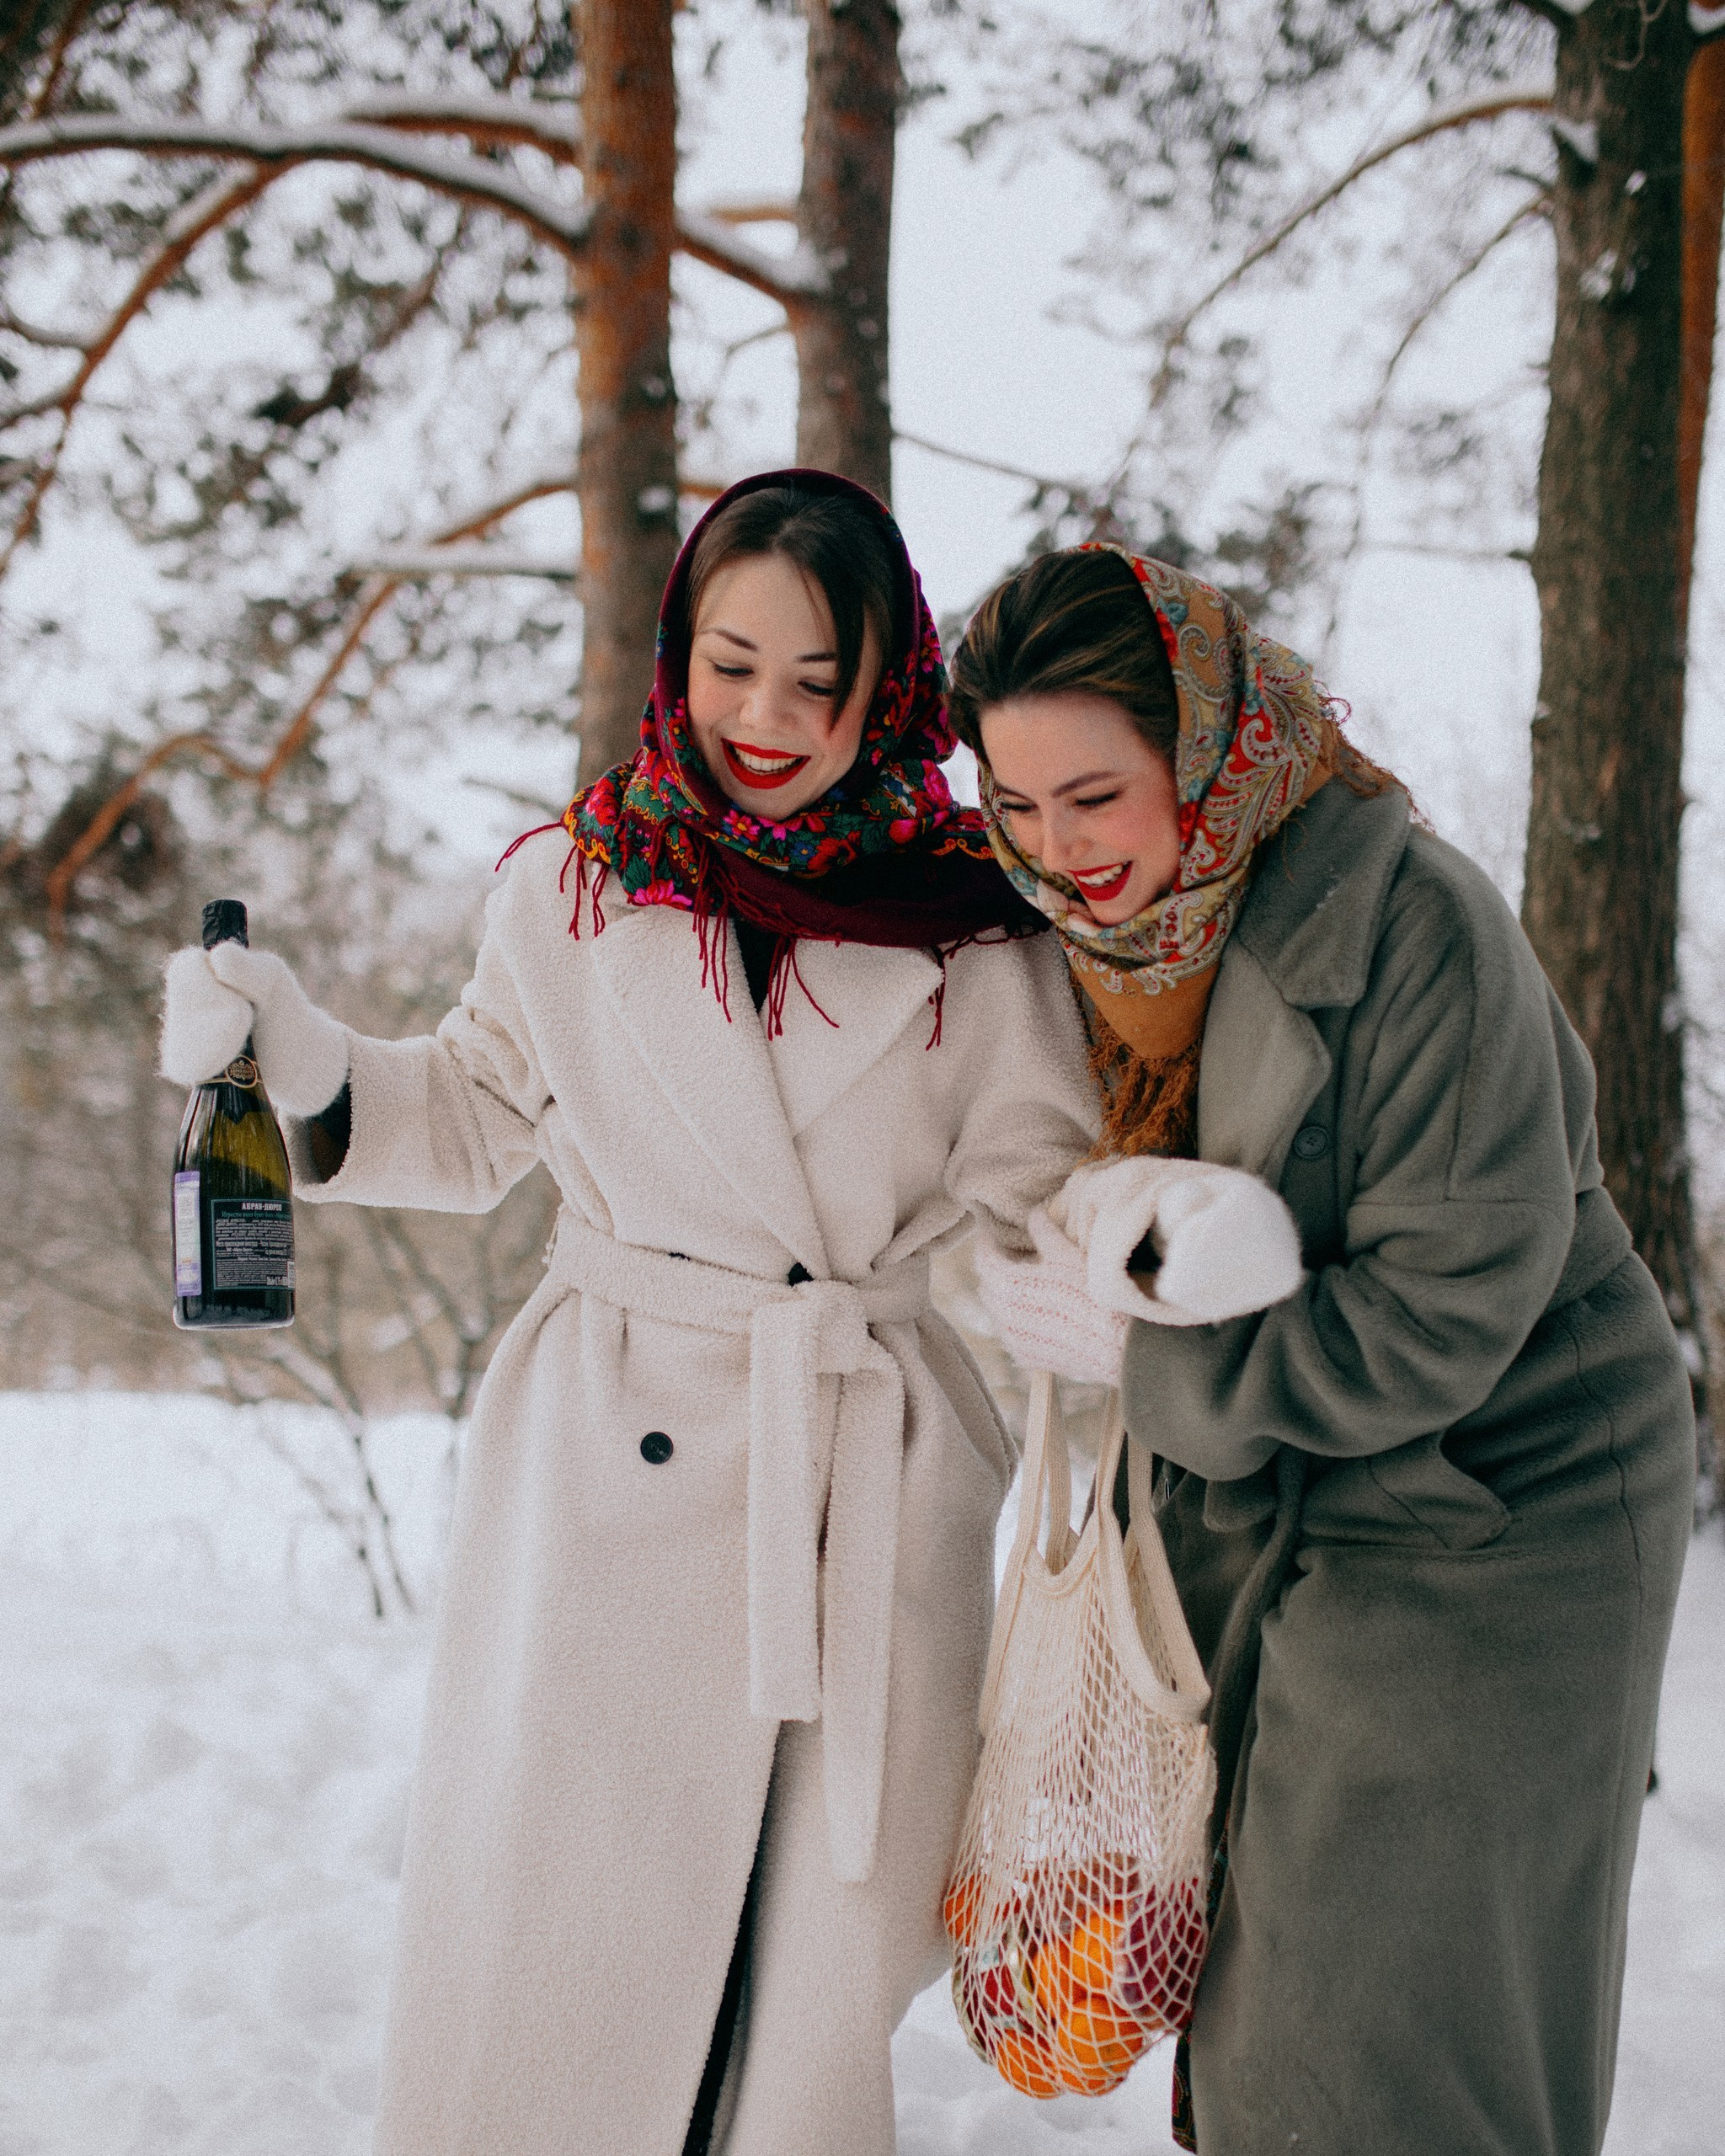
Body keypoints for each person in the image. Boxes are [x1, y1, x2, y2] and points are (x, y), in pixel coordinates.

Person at [158, 471, 1097, 2156]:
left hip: (863, 1484)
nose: (766, 715)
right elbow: (461, 1118)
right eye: (734, 662)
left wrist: (1123, 1289)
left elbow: (1046, 1211)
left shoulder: (984, 941)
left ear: (892, 687)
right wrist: (294, 1048)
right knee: (562, 1941)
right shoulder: (573, 892)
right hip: (610, 1460)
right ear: (680, 653)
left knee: (805, 1979)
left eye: (819, 679)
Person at [947, 543, 1696, 2156]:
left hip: (1501, 1503)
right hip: (1280, 1491)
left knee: (1385, 2027)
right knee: (1261, 2002)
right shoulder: (1092, 956)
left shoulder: (1418, 927)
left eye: (1096, 796)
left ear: (1202, 751)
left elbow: (1446, 1306)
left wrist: (1147, 1367)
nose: (1058, 852)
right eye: (1015, 807)